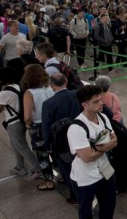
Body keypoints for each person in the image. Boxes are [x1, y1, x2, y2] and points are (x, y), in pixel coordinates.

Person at [68, 85, 118, 219]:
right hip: (86, 177)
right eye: (96, 101)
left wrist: (95, 148)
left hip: (105, 170)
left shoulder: (102, 117)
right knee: (86, 210)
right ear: (85, 104)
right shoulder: (76, 128)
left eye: (100, 99)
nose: (101, 103)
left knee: (109, 205)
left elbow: (115, 140)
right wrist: (105, 147)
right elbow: (87, 157)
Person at [42, 73, 83, 205]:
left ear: (52, 85)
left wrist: (47, 145)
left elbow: (47, 126)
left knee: (67, 169)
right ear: (66, 82)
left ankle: (76, 196)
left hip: (62, 142)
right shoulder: (77, 94)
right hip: (81, 135)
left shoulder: (48, 103)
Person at [0, 67, 39, 178]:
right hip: (22, 120)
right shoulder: (19, 87)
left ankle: (38, 169)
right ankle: (20, 166)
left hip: (13, 123)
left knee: (22, 146)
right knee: (16, 145)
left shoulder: (4, 93)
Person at [21, 63, 55, 190]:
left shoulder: (29, 93)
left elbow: (28, 116)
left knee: (42, 155)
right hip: (52, 124)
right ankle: (63, 175)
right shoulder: (50, 88)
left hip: (38, 126)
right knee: (56, 151)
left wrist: (28, 124)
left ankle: (49, 181)